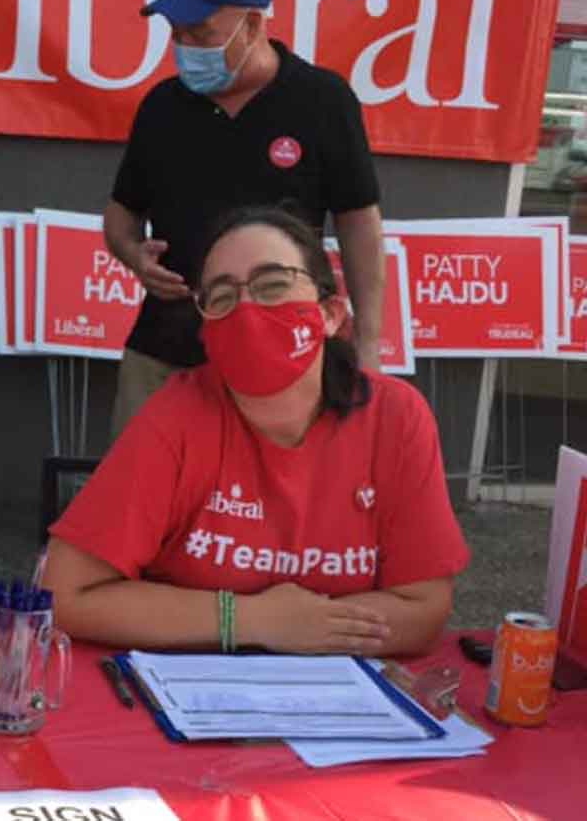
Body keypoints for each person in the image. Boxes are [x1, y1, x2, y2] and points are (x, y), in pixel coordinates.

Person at [45, 206, 469, 658]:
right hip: (191, 695)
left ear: (329, 314)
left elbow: (423, 611)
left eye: (272, 286)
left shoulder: (395, 416)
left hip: (341, 700)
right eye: (223, 298)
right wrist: (255, 620)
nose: (247, 312)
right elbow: (65, 594)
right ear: (207, 331)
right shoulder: (176, 415)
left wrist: (308, 628)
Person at [105, 0, 385, 439]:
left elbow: (359, 224)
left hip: (283, 353)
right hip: (165, 350)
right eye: (176, 32)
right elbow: (120, 217)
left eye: (199, 31)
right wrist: (133, 258)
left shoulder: (323, 101)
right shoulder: (162, 107)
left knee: (269, 503)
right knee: (139, 501)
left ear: (252, 24)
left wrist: (368, 343)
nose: (184, 44)